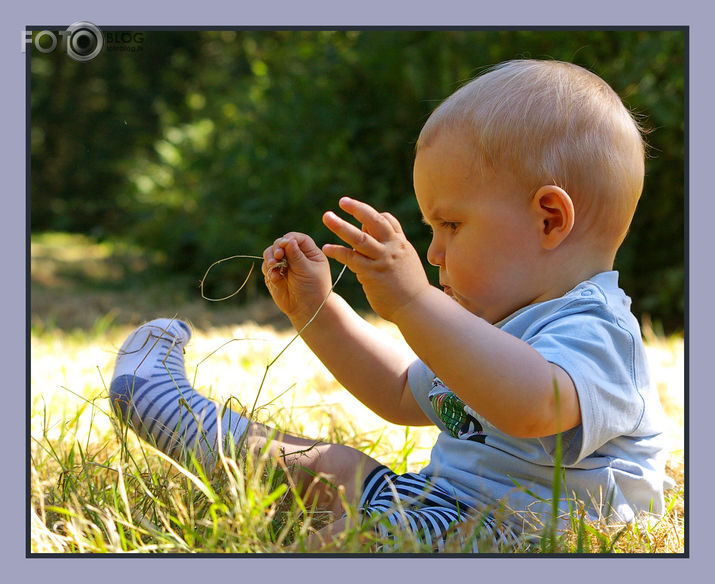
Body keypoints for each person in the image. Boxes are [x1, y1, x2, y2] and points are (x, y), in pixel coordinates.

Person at [109, 59, 670, 553]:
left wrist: (412, 299)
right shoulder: (495, 321)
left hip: (510, 530)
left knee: (375, 538)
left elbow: (530, 406)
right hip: (438, 503)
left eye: (450, 224)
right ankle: (175, 412)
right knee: (327, 464)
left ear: (549, 219)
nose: (434, 251)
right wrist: (318, 310)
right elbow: (402, 391)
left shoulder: (599, 330)